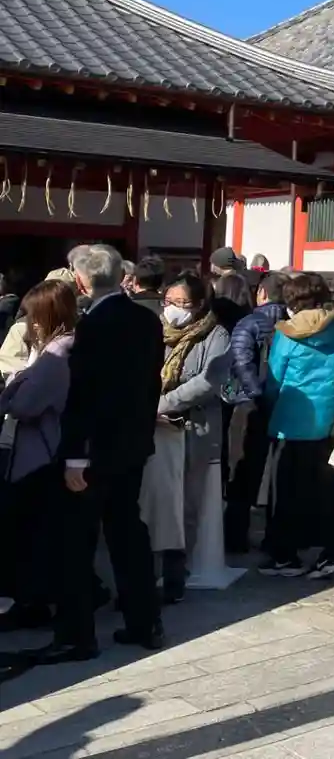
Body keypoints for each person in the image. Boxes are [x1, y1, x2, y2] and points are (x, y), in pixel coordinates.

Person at [40, 244, 164, 662]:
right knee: (128, 533)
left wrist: (75, 455)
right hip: (132, 446)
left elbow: (83, 396)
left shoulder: (92, 325)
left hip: (93, 452)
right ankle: (145, 621)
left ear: (81, 280)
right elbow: (150, 386)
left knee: (77, 542)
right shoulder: (147, 320)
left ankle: (77, 636)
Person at [146, 273, 231, 603]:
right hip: (151, 429)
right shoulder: (154, 329)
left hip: (190, 429)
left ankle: (174, 575)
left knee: (183, 506)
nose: (174, 309)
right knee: (150, 502)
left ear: (199, 304)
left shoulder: (215, 335)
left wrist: (162, 403)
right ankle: (144, 572)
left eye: (182, 303)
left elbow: (208, 382)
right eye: (169, 301)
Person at [0, 279, 77, 632]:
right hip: (48, 452)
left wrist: (14, 385)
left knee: (31, 533)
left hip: (39, 456)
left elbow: (22, 404)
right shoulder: (66, 348)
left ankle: (34, 604)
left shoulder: (56, 355)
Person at [261, 274, 334, 578]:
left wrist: (268, 406)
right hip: (325, 419)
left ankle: (286, 556)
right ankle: (328, 554)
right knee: (324, 489)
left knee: (285, 491)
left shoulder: (287, 333)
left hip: (290, 419)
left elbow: (275, 378)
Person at [224, 272, 288, 553]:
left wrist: (256, 394)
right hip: (285, 402)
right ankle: (276, 538)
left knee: (242, 471)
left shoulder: (248, 323)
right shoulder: (292, 324)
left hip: (248, 404)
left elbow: (241, 362)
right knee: (276, 473)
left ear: (261, 292)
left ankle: (235, 536)